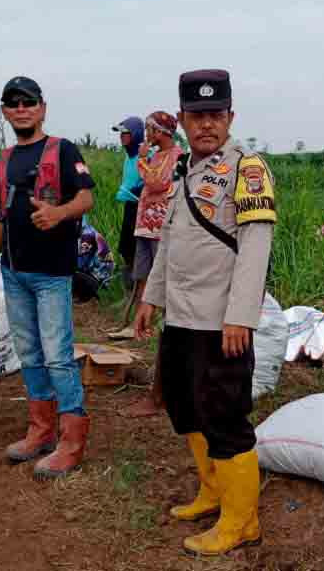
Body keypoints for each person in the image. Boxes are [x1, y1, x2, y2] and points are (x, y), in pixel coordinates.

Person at [133, 69, 276, 556]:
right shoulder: (182, 170)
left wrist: (241, 315)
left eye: (216, 115)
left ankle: (242, 521)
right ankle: (213, 493)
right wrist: (153, 297)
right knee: (184, 405)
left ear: (231, 117)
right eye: (197, 116)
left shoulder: (248, 168)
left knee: (225, 415)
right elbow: (171, 240)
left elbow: (256, 247)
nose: (207, 125)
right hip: (183, 316)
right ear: (182, 120)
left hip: (222, 320)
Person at [0, 76, 96, 479]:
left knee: (58, 355)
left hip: (52, 274)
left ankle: (72, 441)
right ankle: (41, 431)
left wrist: (58, 213)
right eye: (13, 103)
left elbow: (86, 197)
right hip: (14, 272)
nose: (21, 109)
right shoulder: (4, 159)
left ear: (42, 108)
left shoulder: (62, 150)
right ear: (5, 112)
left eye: (29, 102)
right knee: (28, 354)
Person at [118, 110, 183, 418]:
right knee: (143, 275)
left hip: (161, 230)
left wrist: (142, 160)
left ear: (163, 131)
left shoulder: (174, 156)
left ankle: (159, 320)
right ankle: (141, 320)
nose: (147, 134)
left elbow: (156, 184)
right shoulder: (157, 155)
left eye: (151, 129)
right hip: (145, 225)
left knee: (160, 278)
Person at [111, 115, 145, 287]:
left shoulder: (146, 154)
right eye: (120, 133)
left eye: (126, 133)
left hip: (143, 207)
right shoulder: (128, 156)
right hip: (130, 206)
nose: (122, 137)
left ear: (136, 134)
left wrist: (140, 188)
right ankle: (129, 289)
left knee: (139, 250)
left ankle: (140, 290)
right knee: (125, 248)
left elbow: (154, 178)